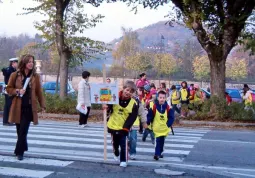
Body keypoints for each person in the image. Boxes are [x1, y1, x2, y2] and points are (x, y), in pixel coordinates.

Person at [6, 54, 45, 161]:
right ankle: (21, 147)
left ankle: (20, 152)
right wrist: (17, 91)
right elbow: (8, 89)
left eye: (32, 61)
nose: (31, 63)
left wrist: (42, 105)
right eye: (29, 62)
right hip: (17, 107)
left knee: (23, 130)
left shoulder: (35, 76)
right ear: (24, 63)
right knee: (19, 130)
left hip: (29, 107)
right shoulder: (15, 75)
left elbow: (39, 92)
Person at [106, 81, 138, 167]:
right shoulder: (114, 97)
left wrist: (126, 127)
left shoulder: (134, 103)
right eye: (127, 90)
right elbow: (109, 109)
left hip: (123, 128)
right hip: (113, 125)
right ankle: (116, 152)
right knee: (115, 143)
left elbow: (132, 117)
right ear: (123, 89)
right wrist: (106, 107)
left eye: (131, 92)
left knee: (123, 143)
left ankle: (123, 160)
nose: (128, 93)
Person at [146, 90, 175, 160]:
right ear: (158, 98)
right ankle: (157, 154)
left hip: (164, 129)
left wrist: (168, 124)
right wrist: (148, 122)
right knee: (157, 141)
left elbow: (171, 117)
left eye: (163, 98)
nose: (162, 99)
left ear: (165, 98)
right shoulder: (154, 107)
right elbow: (150, 115)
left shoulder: (168, 108)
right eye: (160, 97)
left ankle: (160, 151)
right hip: (156, 128)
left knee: (162, 142)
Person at [129, 89, 147, 160]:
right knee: (125, 139)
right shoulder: (123, 100)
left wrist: (144, 122)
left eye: (133, 92)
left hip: (134, 123)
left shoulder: (137, 102)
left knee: (133, 139)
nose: (131, 94)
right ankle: (125, 151)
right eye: (130, 91)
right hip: (124, 123)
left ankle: (132, 153)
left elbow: (142, 112)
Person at [1, 57, 18, 126]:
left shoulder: (14, 70)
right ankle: (7, 121)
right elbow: (5, 72)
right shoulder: (10, 69)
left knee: (9, 105)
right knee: (8, 105)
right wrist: (4, 70)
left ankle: (7, 121)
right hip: (8, 89)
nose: (17, 64)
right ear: (13, 63)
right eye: (16, 63)